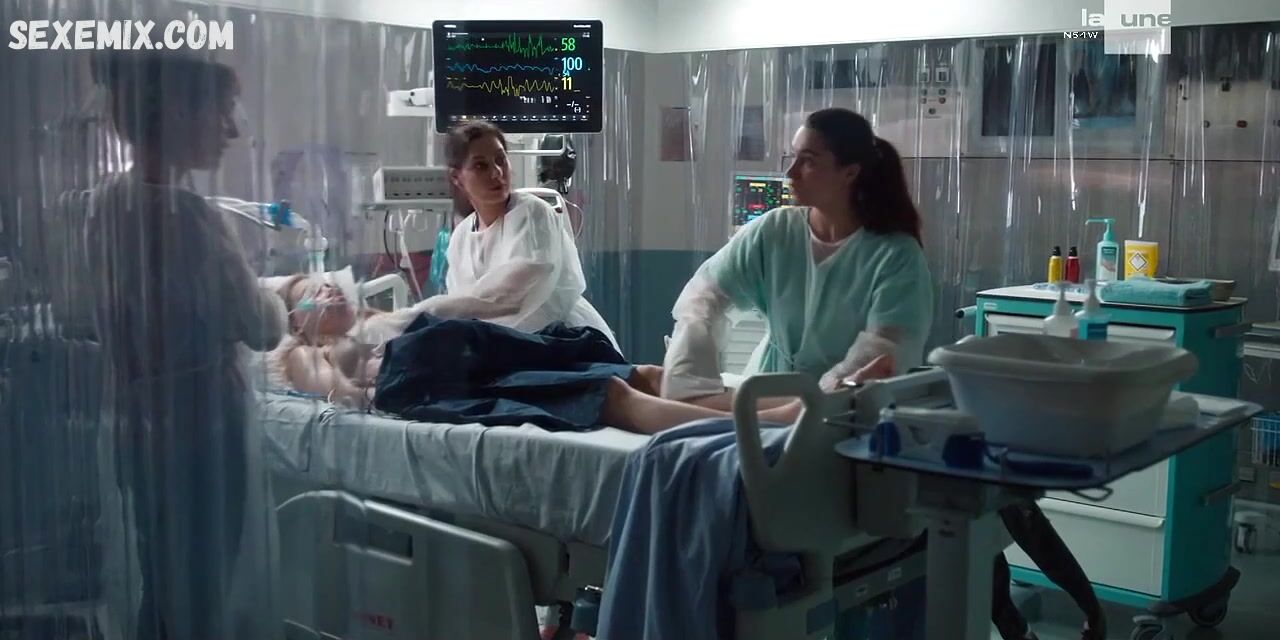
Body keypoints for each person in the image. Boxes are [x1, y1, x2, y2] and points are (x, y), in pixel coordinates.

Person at [85, 51, 285, 640]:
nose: (231, 131)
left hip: (137, 429)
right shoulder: (191, 216)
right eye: (221, 112)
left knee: (162, 590)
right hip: (201, 432)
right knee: (200, 598)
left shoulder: (105, 203)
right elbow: (263, 329)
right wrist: (282, 295)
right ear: (177, 112)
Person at [267, 275, 895, 435]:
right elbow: (340, 395)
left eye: (329, 284)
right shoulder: (303, 350)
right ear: (295, 319)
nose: (329, 292)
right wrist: (368, 378)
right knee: (608, 395)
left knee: (642, 371)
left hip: (468, 352)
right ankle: (772, 421)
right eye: (310, 293)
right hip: (427, 385)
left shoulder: (385, 316)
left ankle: (801, 400)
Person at [661, 108, 934, 415]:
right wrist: (688, 376)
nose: (790, 173)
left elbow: (881, 354)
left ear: (849, 173)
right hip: (766, 388)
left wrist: (817, 400)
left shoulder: (896, 256)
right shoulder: (775, 231)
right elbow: (703, 296)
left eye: (808, 161)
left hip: (845, 411)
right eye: (793, 157)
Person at [422, 120, 619, 350]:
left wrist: (428, 313)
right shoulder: (461, 238)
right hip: (501, 346)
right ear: (457, 177)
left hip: (562, 339)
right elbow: (464, 310)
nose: (496, 172)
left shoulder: (533, 214)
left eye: (500, 160)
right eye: (481, 165)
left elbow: (515, 294)